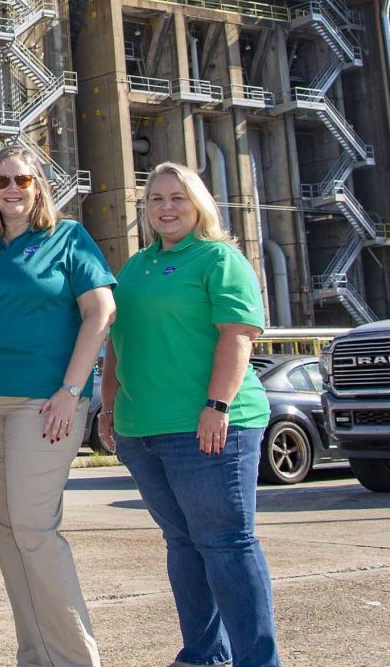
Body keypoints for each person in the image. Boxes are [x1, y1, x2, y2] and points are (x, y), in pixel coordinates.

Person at [98, 162, 280, 667]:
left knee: (226, 545)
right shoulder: (136, 267)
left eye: (177, 197)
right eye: (156, 198)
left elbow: (238, 334)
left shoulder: (218, 258)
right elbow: (116, 342)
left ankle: (257, 660)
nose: (166, 207)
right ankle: (203, 656)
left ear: (198, 203)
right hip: (143, 430)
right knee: (182, 545)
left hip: (209, 427)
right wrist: (109, 407)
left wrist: (217, 406)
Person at [0, 144, 116, 667]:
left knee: (32, 526)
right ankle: (35, 655)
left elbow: (100, 312)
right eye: (1, 181)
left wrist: (72, 392)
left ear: (39, 185)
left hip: (44, 404)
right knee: (5, 533)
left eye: (22, 180)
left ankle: (74, 658)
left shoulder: (67, 238)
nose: (11, 189)